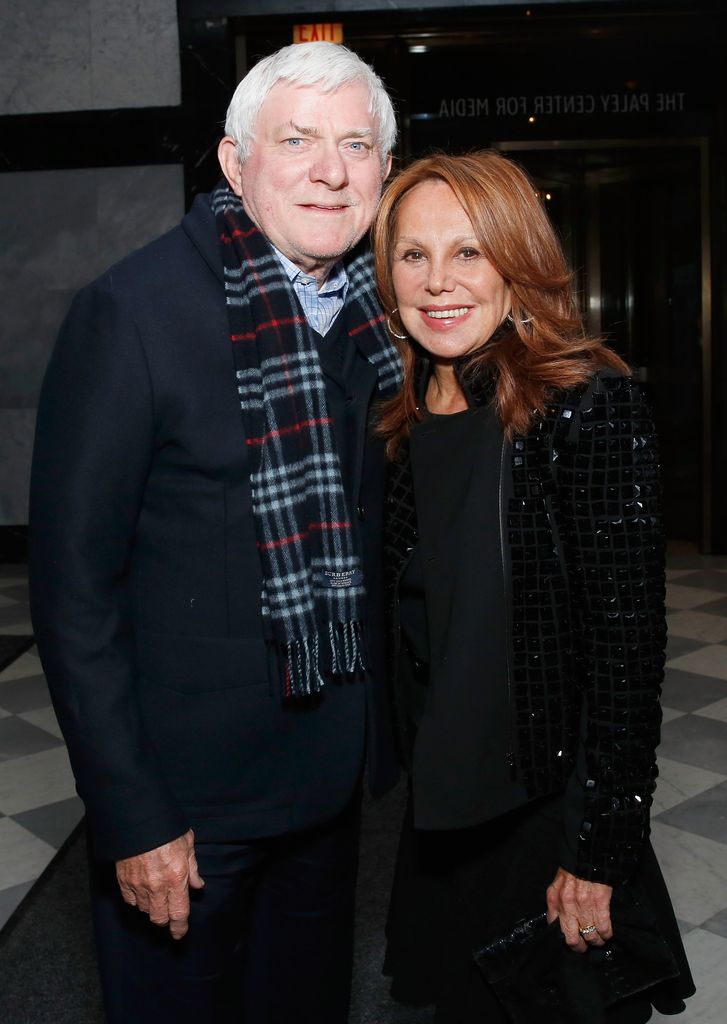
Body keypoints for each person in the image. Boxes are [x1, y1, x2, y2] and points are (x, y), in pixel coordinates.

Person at [28, 42, 402, 1024]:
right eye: (298, 140)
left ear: (384, 172)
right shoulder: (133, 314)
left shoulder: (381, 319)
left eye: (356, 144)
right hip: (184, 804)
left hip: (326, 792)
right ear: (237, 165)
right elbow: (74, 591)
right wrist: (134, 813)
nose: (331, 168)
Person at [371, 151, 695, 1022]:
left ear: (519, 265)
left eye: (468, 252)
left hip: (542, 810)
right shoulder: (397, 416)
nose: (437, 281)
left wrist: (600, 850)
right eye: (413, 255)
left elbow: (627, 654)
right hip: (440, 811)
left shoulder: (586, 404)